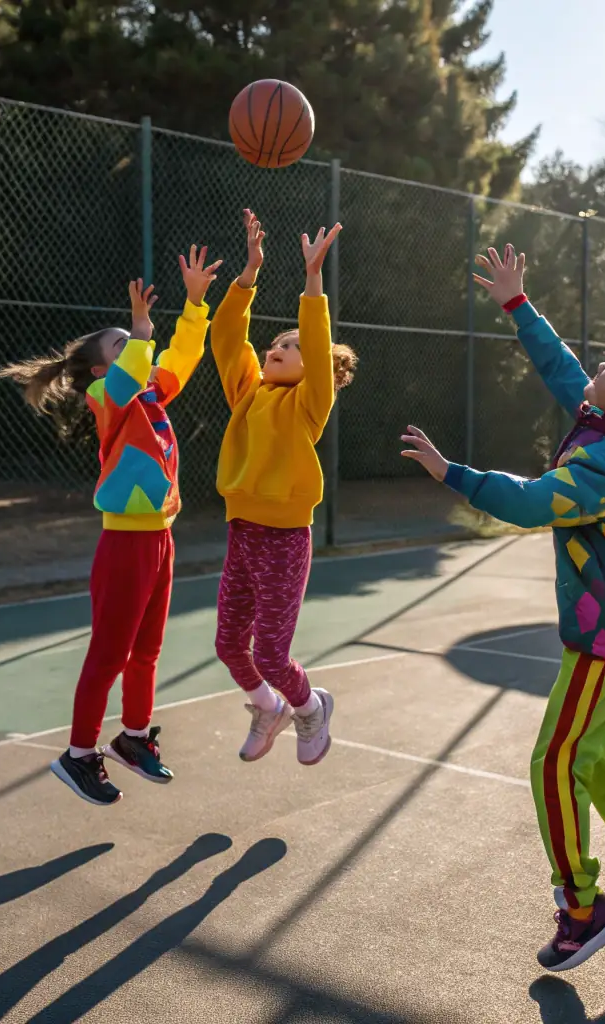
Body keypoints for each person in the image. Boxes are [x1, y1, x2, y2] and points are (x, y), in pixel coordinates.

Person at [400, 244, 605, 972]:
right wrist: (518, 305)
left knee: (555, 761)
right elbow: (563, 372)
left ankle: (581, 908)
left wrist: (451, 472)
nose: (601, 363)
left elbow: (529, 504)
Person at [0, 247, 221, 805]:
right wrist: (140, 328)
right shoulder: (108, 396)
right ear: (101, 368)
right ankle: (79, 755)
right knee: (109, 655)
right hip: (124, 544)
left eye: (135, 341)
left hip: (160, 538)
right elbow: (130, 373)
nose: (137, 346)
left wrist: (194, 305)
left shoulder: (150, 392)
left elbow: (180, 359)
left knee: (147, 651)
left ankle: (134, 738)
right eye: (121, 345)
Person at [209, 210, 358, 766]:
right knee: (228, 647)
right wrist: (248, 273)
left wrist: (312, 280)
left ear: (310, 366)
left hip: (284, 539)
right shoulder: (248, 392)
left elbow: (317, 348)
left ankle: (309, 705)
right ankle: (268, 708)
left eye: (289, 346)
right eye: (275, 342)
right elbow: (228, 339)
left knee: (271, 653)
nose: (277, 346)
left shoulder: (307, 405)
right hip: (243, 531)